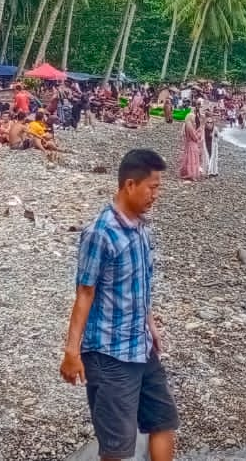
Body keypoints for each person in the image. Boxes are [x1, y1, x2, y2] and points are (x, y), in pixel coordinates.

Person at [61, 149, 178, 461]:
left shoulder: (141, 226)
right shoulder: (100, 233)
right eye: (152, 187)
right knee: (117, 447)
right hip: (109, 355)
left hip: (141, 346)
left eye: (158, 187)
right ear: (130, 185)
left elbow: (139, 283)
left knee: (164, 422)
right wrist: (72, 352)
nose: (157, 195)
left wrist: (150, 324)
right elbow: (84, 293)